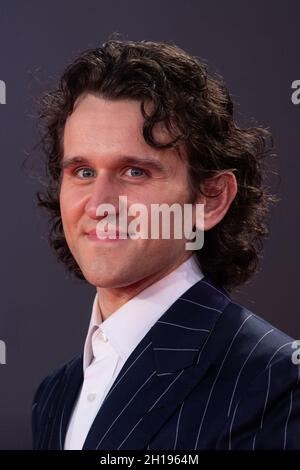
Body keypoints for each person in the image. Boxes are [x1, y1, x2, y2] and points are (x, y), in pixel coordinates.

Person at [31, 39, 300, 450]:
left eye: (135, 171)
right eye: (82, 171)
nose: (100, 204)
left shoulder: (274, 383)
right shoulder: (53, 395)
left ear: (209, 199)